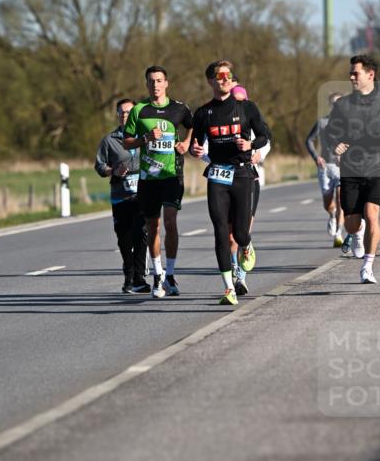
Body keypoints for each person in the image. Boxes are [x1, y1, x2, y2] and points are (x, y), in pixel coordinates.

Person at [191, 60, 271, 305]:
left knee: (240, 232)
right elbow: (196, 144)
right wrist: (194, 150)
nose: (225, 79)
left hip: (242, 174)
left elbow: (265, 136)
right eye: (220, 76)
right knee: (221, 232)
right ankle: (228, 288)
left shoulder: (247, 108)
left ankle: (246, 245)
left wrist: (251, 144)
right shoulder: (203, 113)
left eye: (228, 75)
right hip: (217, 175)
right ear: (210, 81)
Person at [324, 55, 380, 285]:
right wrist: (335, 144)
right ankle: (356, 234)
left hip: (377, 167)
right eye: (350, 73)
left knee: (372, 215)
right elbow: (330, 132)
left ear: (370, 75)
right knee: (351, 223)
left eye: (356, 73)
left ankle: (368, 266)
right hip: (350, 169)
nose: (351, 77)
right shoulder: (342, 105)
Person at [123, 66, 193, 298]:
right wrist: (145, 138)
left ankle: (170, 274)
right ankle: (158, 275)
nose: (155, 84)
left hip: (172, 175)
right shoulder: (139, 110)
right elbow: (126, 142)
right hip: (148, 178)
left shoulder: (179, 108)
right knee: (153, 226)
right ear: (146, 84)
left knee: (170, 222)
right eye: (151, 81)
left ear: (166, 83)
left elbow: (193, 125)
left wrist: (186, 143)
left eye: (159, 80)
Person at [95, 99, 149, 293]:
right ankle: (129, 275)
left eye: (128, 112)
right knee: (124, 239)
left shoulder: (145, 136)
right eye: (121, 112)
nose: (125, 116)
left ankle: (139, 278)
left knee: (141, 235)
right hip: (120, 196)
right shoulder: (109, 140)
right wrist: (113, 171)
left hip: (142, 195)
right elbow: (99, 166)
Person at [230, 83, 271, 295]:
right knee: (229, 235)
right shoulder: (220, 119)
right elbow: (206, 148)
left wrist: (258, 153)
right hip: (225, 178)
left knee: (243, 230)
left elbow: (266, 141)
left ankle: (241, 277)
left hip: (250, 177)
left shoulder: (252, 118)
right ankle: (234, 271)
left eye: (241, 100)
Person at [305, 93, 345, 248]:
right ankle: (332, 215)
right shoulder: (322, 122)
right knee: (328, 203)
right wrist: (316, 157)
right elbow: (309, 140)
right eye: (334, 103)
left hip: (341, 167)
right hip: (325, 166)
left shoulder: (348, 123)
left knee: (341, 199)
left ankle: (338, 233)